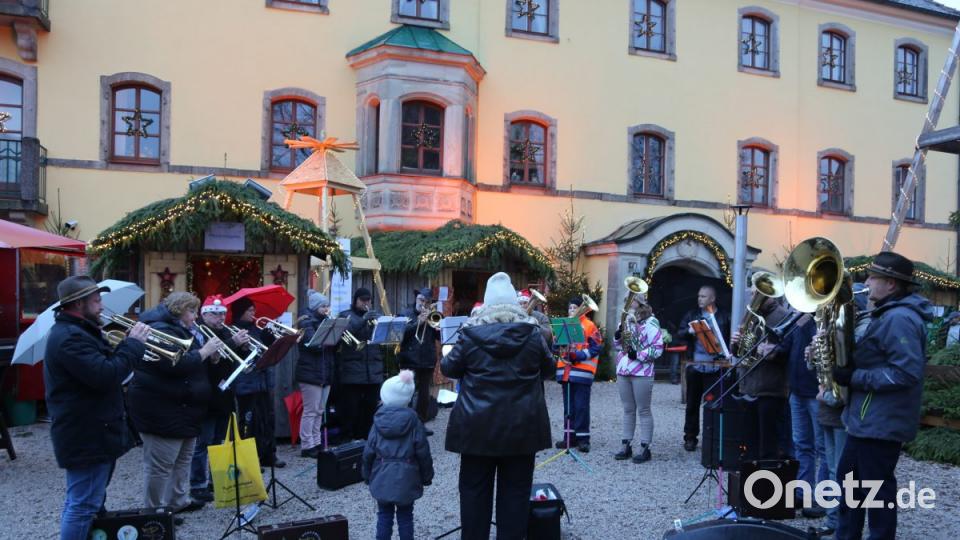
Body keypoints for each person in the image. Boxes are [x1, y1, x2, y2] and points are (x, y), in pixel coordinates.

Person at [441, 272, 553, 540]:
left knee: (474, 491)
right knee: (515, 493)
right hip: (522, 427)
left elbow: (449, 368)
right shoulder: (533, 333)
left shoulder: (470, 334)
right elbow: (549, 370)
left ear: (487, 304)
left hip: (476, 427)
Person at [834, 252, 931, 540]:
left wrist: (854, 377)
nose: (867, 282)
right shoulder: (887, 313)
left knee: (876, 493)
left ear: (891, 284)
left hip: (880, 422)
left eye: (873, 277)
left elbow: (906, 373)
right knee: (850, 483)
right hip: (867, 419)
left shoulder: (900, 319)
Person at [44, 276, 148, 540]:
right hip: (86, 434)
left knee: (90, 501)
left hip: (95, 431)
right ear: (79, 304)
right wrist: (133, 345)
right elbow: (105, 375)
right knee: (83, 506)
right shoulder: (70, 338)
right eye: (97, 300)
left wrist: (111, 345)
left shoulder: (81, 332)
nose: (102, 306)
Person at [129, 292, 222, 514]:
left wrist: (211, 357)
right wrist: (205, 351)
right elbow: (175, 365)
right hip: (162, 408)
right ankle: (153, 511)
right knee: (160, 466)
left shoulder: (185, 329)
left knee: (182, 460)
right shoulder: (159, 329)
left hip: (184, 408)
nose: (195, 316)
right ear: (179, 310)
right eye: (192, 311)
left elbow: (193, 364)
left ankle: (177, 501)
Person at [814, 282, 870, 537]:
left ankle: (837, 521)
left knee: (840, 469)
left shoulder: (857, 330)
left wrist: (829, 394)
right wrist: (814, 353)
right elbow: (820, 368)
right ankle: (834, 517)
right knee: (830, 463)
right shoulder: (831, 331)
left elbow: (848, 366)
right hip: (827, 405)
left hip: (839, 405)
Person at [190, 294, 249, 502]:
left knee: (219, 441)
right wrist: (233, 342)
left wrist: (242, 347)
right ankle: (197, 484)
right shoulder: (198, 332)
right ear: (204, 315)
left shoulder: (225, 331)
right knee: (202, 443)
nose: (219, 318)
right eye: (214, 314)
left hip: (224, 393)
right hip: (206, 394)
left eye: (222, 314)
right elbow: (202, 359)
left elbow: (230, 359)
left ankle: (215, 479)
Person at [362, 370, 434, 540]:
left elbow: (368, 452)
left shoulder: (377, 421)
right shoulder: (415, 421)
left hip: (382, 474)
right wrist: (427, 476)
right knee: (406, 517)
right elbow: (423, 452)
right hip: (407, 476)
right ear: (408, 398)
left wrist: (367, 475)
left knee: (384, 516)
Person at [778, 304, 827, 519]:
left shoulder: (822, 319)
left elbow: (820, 349)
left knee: (823, 448)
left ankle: (823, 497)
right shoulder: (799, 319)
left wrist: (807, 324)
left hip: (817, 391)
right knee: (801, 445)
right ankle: (802, 493)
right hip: (797, 390)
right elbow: (786, 346)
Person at [731, 289, 790, 459]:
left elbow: (788, 352)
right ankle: (750, 480)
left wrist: (774, 352)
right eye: (751, 293)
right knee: (749, 442)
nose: (752, 297)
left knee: (768, 445)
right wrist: (736, 343)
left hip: (770, 388)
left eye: (758, 293)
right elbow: (740, 352)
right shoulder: (752, 314)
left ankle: (766, 482)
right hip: (748, 386)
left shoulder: (782, 316)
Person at [231, 297, 285, 468]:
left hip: (263, 379)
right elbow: (234, 357)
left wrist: (270, 337)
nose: (254, 314)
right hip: (246, 382)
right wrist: (240, 346)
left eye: (254, 310)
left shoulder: (257, 328)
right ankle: (250, 459)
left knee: (268, 418)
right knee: (249, 421)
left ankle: (269, 454)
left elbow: (267, 351)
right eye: (250, 311)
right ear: (241, 312)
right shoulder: (234, 330)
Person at [677, 285, 730, 451]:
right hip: (696, 365)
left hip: (716, 367)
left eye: (703, 296)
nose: (699, 299)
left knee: (714, 404)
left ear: (712, 299)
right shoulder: (692, 315)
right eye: (699, 296)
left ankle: (713, 438)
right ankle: (690, 437)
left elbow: (730, 338)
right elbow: (680, 333)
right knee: (692, 404)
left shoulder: (724, 316)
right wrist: (690, 331)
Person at [613, 296, 664, 463]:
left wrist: (640, 355)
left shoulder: (651, 322)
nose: (628, 302)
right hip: (624, 369)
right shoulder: (626, 319)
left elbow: (657, 348)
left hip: (642, 371)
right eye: (627, 298)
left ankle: (644, 447)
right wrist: (618, 336)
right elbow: (618, 345)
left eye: (632, 299)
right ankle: (625, 444)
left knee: (643, 409)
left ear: (641, 302)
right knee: (628, 409)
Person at [554, 296, 602, 453]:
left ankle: (583, 439)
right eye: (570, 308)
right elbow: (555, 347)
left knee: (581, 406)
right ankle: (569, 438)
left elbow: (596, 348)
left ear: (581, 308)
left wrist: (578, 356)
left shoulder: (589, 325)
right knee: (568, 407)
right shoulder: (563, 324)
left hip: (582, 372)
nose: (571, 310)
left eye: (574, 307)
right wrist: (559, 345)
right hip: (566, 372)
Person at [337, 287, 384, 440]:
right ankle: (347, 438)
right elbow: (342, 334)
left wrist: (380, 323)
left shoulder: (375, 316)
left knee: (370, 407)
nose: (366, 303)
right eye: (362, 300)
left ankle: (367, 437)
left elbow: (383, 338)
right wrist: (362, 320)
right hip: (353, 370)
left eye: (368, 300)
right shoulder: (345, 316)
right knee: (350, 408)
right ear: (355, 300)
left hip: (373, 369)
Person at [296, 290, 336, 457]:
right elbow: (313, 345)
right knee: (310, 410)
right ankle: (307, 445)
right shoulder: (306, 323)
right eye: (323, 306)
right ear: (315, 307)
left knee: (320, 410)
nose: (327, 309)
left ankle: (317, 441)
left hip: (324, 371)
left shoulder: (324, 322)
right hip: (310, 373)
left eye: (327, 305)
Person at [398, 287, 440, 435]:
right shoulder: (405, 313)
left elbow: (439, 337)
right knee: (406, 395)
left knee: (424, 395)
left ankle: (420, 424)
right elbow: (400, 334)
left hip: (427, 360)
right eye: (421, 300)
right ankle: (406, 426)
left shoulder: (432, 315)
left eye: (427, 302)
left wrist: (436, 326)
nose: (423, 304)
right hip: (409, 359)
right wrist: (418, 323)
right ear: (416, 299)